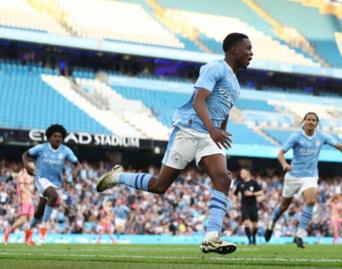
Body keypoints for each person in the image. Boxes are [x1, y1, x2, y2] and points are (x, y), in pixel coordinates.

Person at [96, 33, 253, 255]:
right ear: (234, 50)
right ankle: (117, 176)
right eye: (248, 48)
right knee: (160, 186)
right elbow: (199, 101)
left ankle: (211, 237)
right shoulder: (214, 68)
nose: (251, 53)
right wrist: (213, 130)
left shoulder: (235, 84)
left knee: (223, 178)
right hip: (188, 129)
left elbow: (223, 110)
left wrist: (221, 132)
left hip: (209, 136)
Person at [264, 112, 342, 248]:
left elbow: (339, 146)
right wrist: (285, 164)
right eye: (308, 119)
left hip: (310, 176)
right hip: (293, 176)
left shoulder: (321, 136)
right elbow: (280, 153)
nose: (310, 122)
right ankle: (271, 223)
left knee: (311, 200)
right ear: (304, 121)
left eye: (313, 120)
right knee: (284, 206)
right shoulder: (296, 136)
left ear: (316, 123)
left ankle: (300, 234)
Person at [22, 124, 79, 244]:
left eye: (60, 136)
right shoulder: (41, 148)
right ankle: (44, 228)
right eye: (55, 136)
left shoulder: (66, 150)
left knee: (39, 211)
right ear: (49, 137)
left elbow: (77, 164)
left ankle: (28, 230)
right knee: (53, 196)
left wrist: (74, 173)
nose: (58, 138)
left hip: (55, 182)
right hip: (41, 178)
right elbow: (25, 155)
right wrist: (27, 165)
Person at [3, 168, 35, 245]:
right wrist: (31, 194)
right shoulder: (22, 173)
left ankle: (27, 239)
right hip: (24, 200)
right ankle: (7, 233)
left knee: (32, 220)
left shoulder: (30, 173)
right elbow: (22, 188)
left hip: (29, 200)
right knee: (22, 220)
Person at [234, 168, 262, 245]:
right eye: (240, 173)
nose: (241, 174)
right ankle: (249, 240)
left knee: (255, 225)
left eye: (243, 172)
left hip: (253, 206)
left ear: (248, 173)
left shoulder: (254, 182)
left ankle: (253, 236)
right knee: (247, 223)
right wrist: (235, 203)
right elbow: (235, 194)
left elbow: (261, 192)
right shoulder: (240, 184)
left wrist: (252, 194)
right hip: (244, 206)